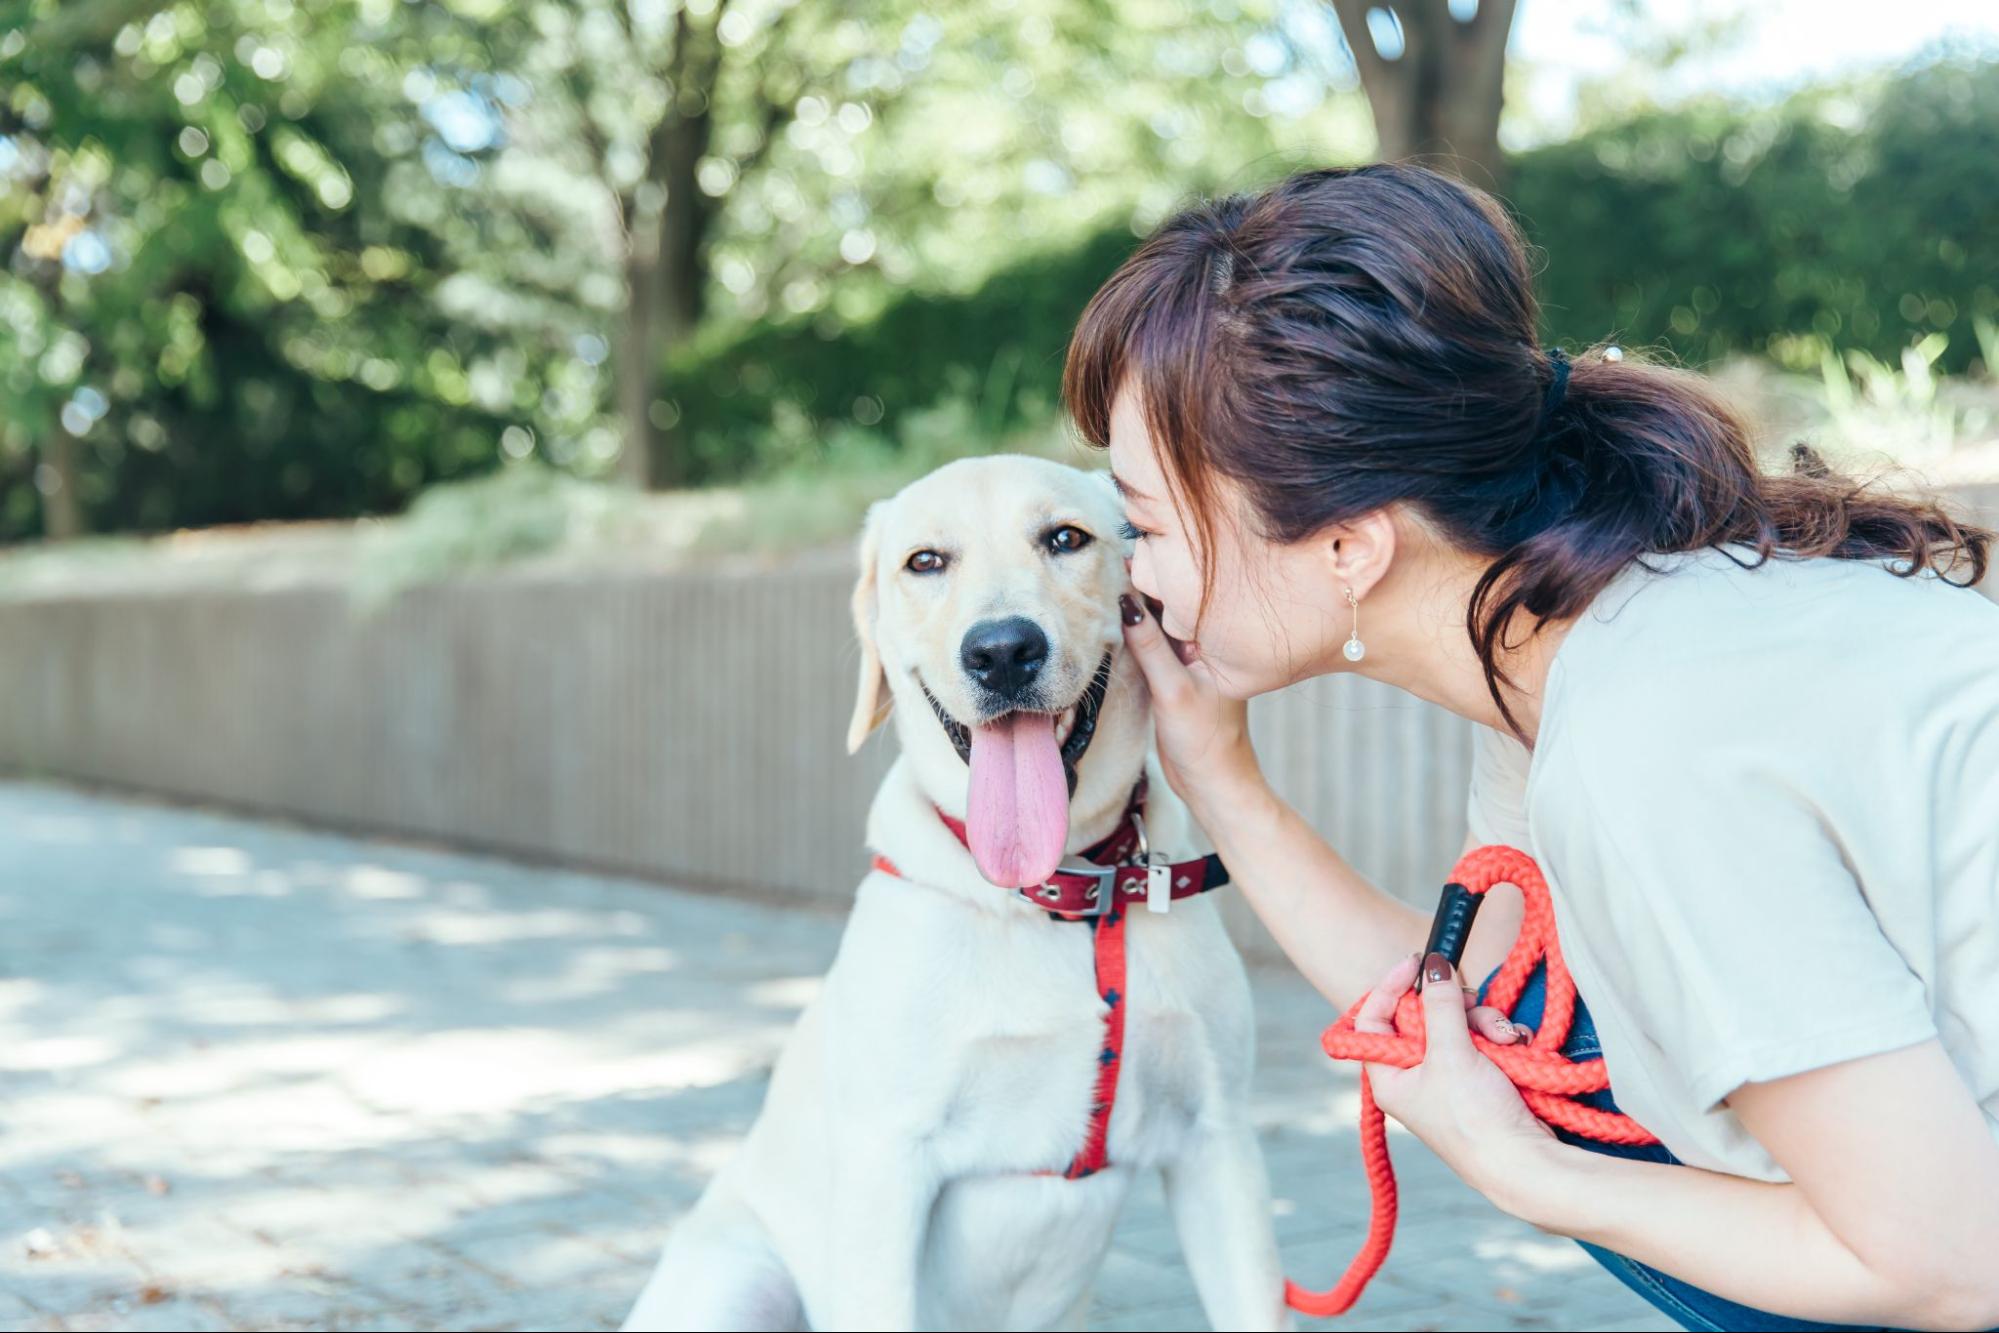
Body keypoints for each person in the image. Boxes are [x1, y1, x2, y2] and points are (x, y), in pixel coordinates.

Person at [1060, 160, 1999, 1332]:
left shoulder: (1647, 737)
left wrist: (1528, 1177)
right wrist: (1217, 777)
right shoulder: (1594, 628)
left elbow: (1954, 1266)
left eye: (1144, 524)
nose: (1133, 574)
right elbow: (1481, 1015)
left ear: (1349, 548)